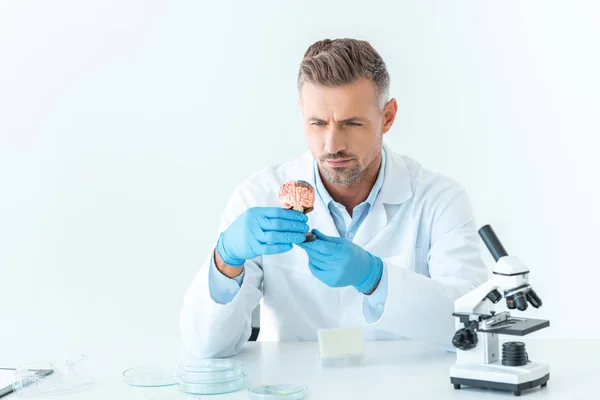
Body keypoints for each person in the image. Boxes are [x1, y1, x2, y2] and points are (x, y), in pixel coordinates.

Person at [180, 38, 488, 359]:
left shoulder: (439, 201)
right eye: (318, 123)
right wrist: (225, 261)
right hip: (297, 389)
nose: (331, 145)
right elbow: (208, 347)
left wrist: (375, 278)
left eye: (351, 123)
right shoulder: (257, 195)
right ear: (302, 114)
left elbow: (473, 325)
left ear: (388, 117)